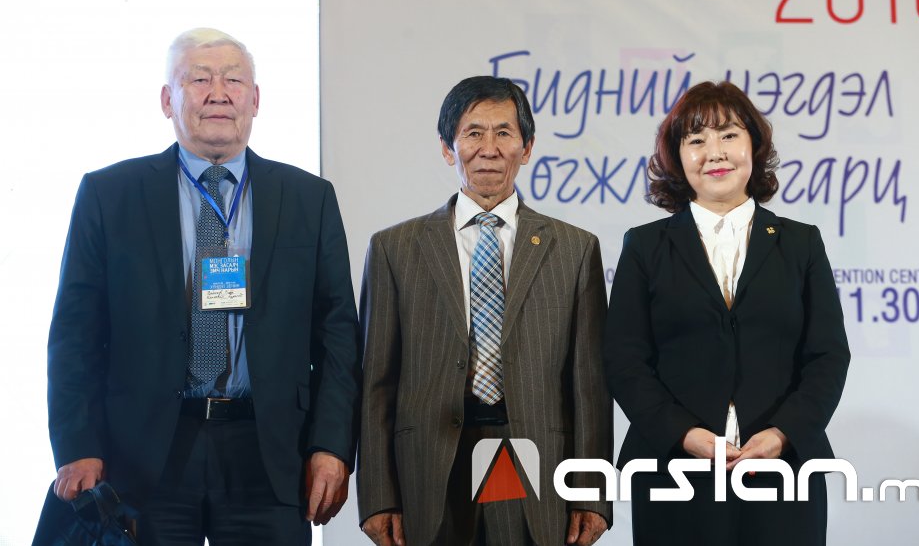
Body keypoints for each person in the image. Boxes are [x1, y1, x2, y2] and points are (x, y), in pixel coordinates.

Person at [43, 28, 362, 545]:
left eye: (234, 80)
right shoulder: (110, 194)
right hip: (144, 456)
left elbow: (338, 335)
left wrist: (331, 445)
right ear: (167, 99)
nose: (218, 93)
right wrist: (78, 445)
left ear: (255, 99)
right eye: (198, 79)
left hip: (271, 451)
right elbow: (75, 333)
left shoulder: (309, 197)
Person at [357, 76, 612, 546]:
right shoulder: (395, 248)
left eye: (504, 133)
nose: (488, 149)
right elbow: (377, 382)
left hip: (534, 460)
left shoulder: (575, 250)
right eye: (473, 133)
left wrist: (592, 492)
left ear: (527, 147)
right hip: (430, 465)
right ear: (447, 148)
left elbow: (590, 386)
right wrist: (377, 494)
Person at [603, 81, 850, 545]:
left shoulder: (802, 242)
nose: (714, 152)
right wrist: (685, 435)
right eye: (696, 139)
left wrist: (782, 434)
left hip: (784, 470)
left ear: (754, 146)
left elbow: (828, 356)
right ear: (677, 157)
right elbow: (625, 360)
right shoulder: (645, 246)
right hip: (674, 471)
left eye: (729, 135)